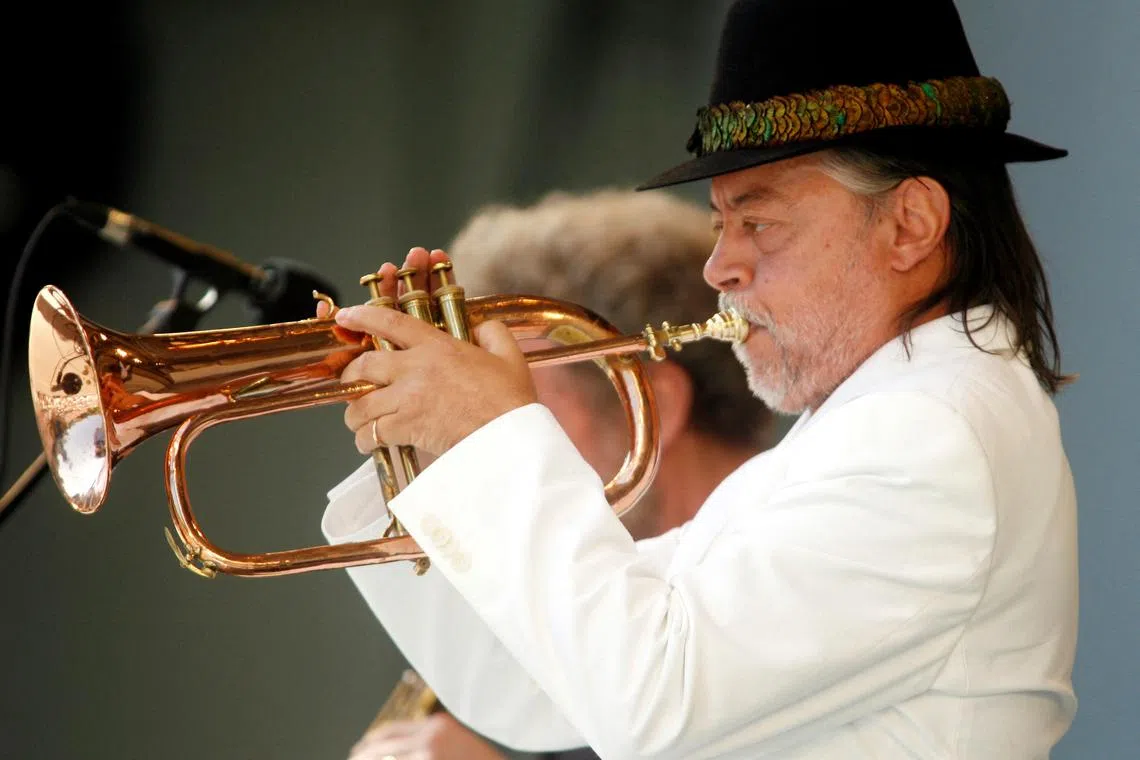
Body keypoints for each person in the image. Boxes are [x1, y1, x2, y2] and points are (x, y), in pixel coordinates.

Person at [322, 0, 1079, 757]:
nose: (720, 266)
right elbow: (533, 691)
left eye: (759, 223)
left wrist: (490, 435)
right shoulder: (878, 422)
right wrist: (427, 460)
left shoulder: (924, 437)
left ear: (910, 223)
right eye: (720, 224)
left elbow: (650, 700)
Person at [336, 189, 775, 760]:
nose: (462, 433)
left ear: (650, 405)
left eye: (509, 398)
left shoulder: (780, 575)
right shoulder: (548, 634)